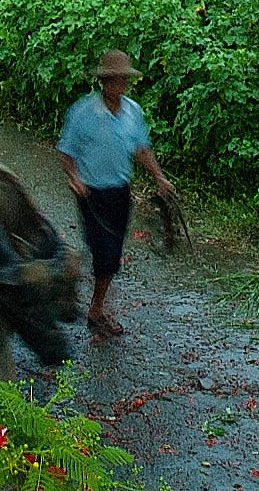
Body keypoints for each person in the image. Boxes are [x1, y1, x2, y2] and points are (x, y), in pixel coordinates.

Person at [55, 48, 173, 338]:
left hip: (120, 192)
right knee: (104, 253)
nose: (118, 85)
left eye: (122, 80)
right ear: (103, 82)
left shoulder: (133, 112)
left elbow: (141, 149)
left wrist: (159, 177)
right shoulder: (82, 112)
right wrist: (75, 179)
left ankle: (93, 299)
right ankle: (95, 310)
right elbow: (66, 152)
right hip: (91, 194)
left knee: (112, 252)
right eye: (113, 80)